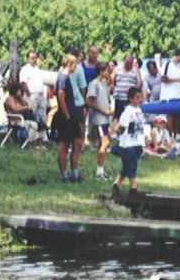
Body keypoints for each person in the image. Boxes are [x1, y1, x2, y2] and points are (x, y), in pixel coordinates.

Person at [52, 53, 83, 182]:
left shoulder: (66, 78)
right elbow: (61, 98)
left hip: (72, 113)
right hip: (66, 116)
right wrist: (67, 116)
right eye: (75, 63)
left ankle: (74, 174)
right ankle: (64, 175)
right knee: (64, 146)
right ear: (70, 63)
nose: (76, 66)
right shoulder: (63, 78)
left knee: (76, 144)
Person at [110, 86, 146, 195]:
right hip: (128, 144)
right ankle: (133, 187)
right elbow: (122, 127)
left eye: (140, 97)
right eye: (137, 97)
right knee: (132, 164)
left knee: (126, 165)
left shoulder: (139, 110)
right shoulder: (127, 111)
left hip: (137, 142)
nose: (139, 99)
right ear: (131, 98)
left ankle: (117, 183)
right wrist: (117, 136)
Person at [86, 66, 114, 180]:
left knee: (102, 145)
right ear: (101, 72)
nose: (109, 73)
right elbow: (89, 100)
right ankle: (99, 172)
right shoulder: (94, 84)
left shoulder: (103, 84)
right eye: (107, 71)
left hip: (105, 119)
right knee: (105, 142)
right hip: (99, 119)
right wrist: (104, 111)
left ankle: (101, 170)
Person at [20, 50, 48, 127]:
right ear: (28, 59)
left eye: (35, 58)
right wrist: (29, 94)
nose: (34, 59)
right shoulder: (25, 69)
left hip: (40, 95)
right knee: (31, 116)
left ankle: (42, 136)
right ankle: (31, 136)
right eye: (32, 58)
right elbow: (23, 82)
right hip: (32, 95)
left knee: (42, 116)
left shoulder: (37, 68)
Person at [112, 54, 141, 119]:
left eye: (130, 63)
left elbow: (139, 82)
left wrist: (133, 91)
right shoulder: (117, 68)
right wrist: (113, 88)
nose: (129, 64)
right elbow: (111, 80)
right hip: (119, 98)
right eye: (127, 63)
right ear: (124, 61)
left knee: (130, 117)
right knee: (117, 117)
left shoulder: (135, 69)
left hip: (130, 99)